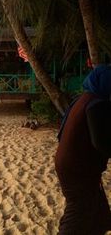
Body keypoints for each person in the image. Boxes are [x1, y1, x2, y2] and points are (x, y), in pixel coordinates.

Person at [55, 64, 111, 234]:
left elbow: (60, 134)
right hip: (77, 169)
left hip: (67, 163)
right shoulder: (96, 104)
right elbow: (101, 142)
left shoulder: (82, 99)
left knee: (98, 211)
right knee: (78, 210)